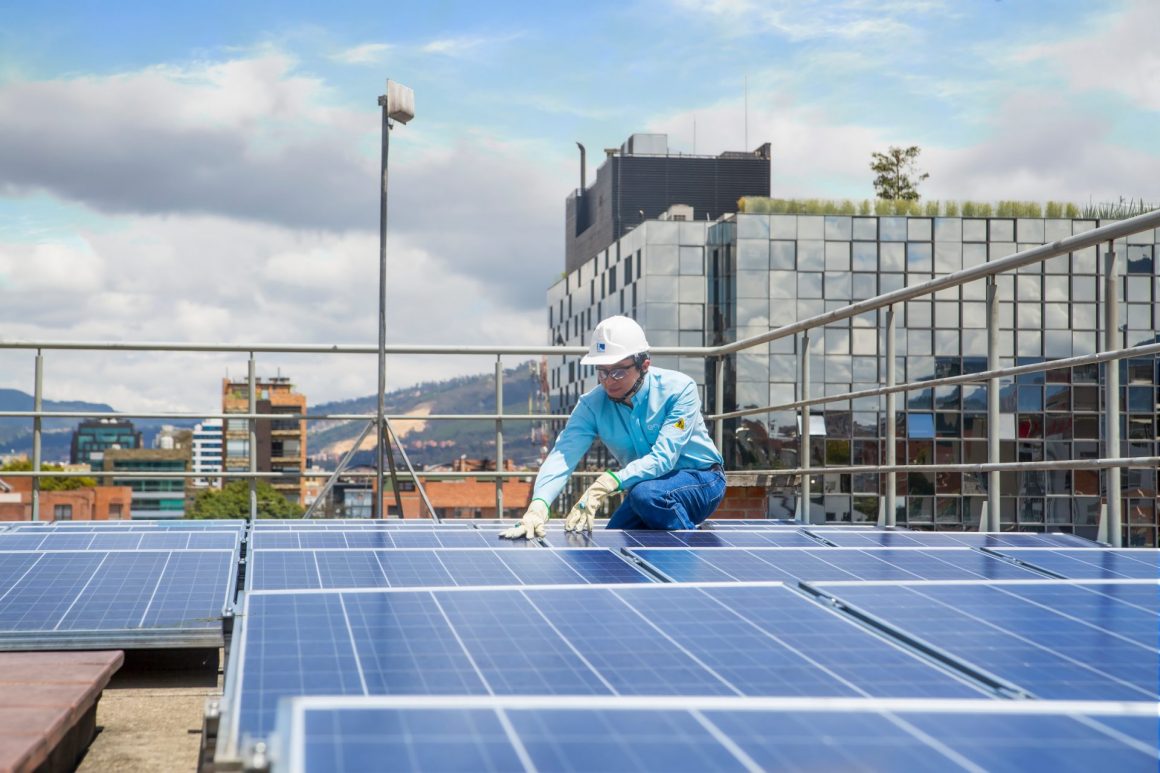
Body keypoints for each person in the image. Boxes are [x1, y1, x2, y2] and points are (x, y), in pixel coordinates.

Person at [500, 315, 725, 538]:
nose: (608, 380)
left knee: (647, 497)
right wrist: (539, 505)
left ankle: (692, 545)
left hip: (702, 479)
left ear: (644, 365)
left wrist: (609, 481)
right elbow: (563, 454)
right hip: (646, 488)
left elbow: (663, 459)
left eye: (618, 372)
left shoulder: (679, 389)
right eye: (602, 371)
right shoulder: (591, 405)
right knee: (613, 538)